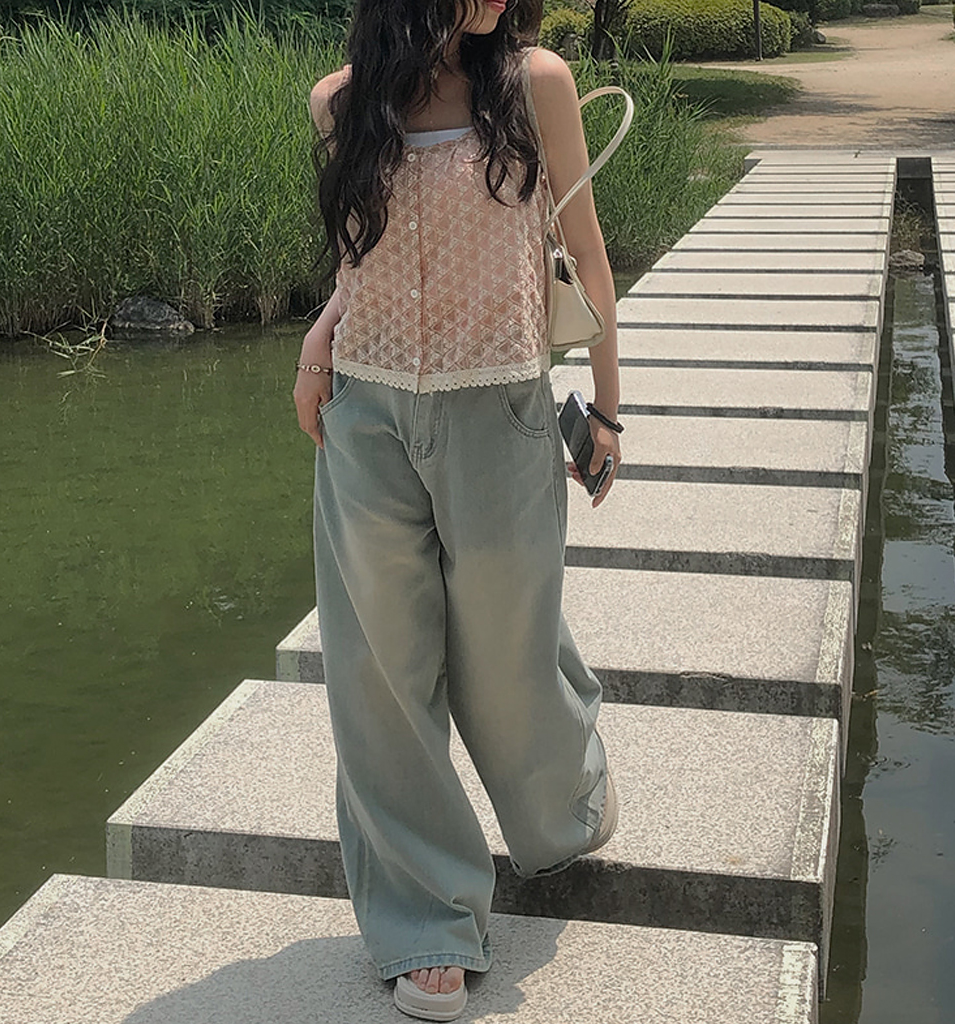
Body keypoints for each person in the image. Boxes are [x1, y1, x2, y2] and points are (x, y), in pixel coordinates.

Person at [293, 0, 622, 1018]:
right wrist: (316, 343)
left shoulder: (536, 84)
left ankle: (568, 793)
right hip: (367, 415)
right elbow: (363, 262)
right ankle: (425, 916)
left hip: (503, 404)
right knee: (380, 672)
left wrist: (608, 408)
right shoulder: (341, 103)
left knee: (506, 644)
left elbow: (586, 251)